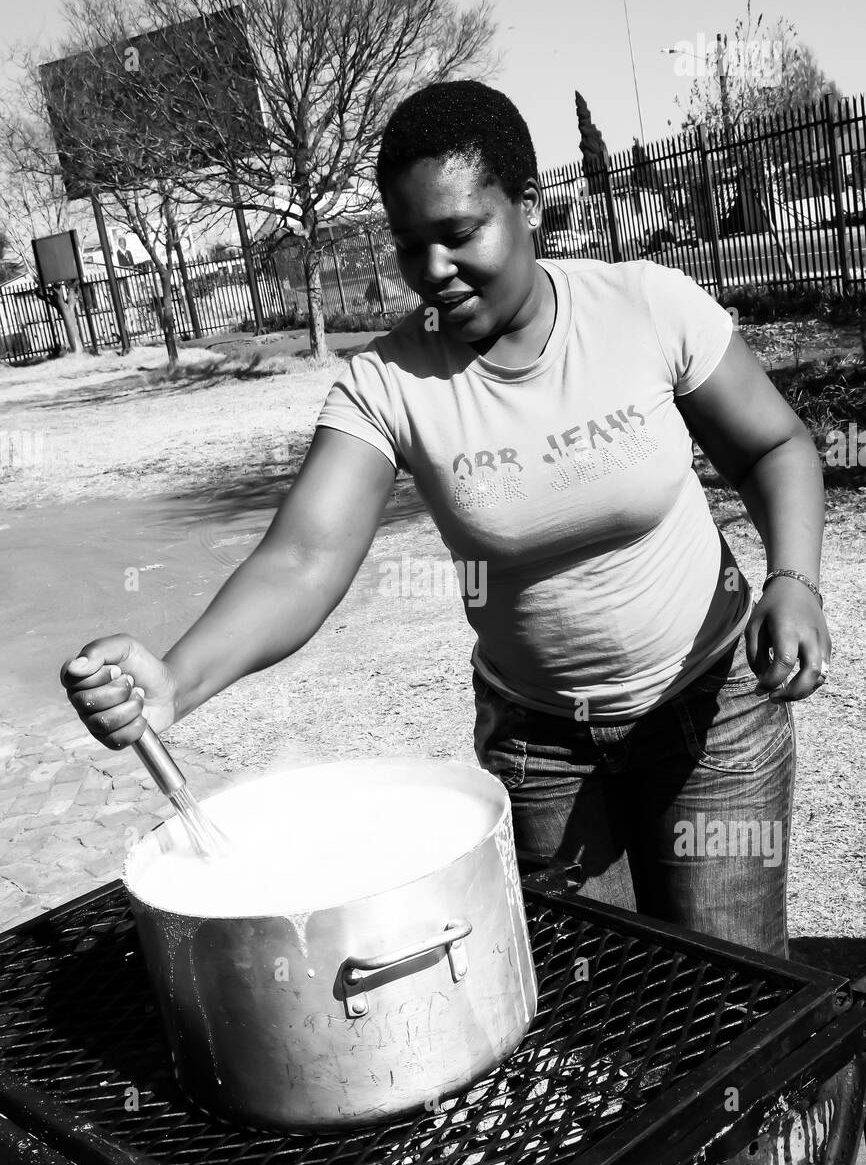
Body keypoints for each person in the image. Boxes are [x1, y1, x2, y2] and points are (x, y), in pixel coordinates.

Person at [60, 81, 831, 958]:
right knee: (601, 1007)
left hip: (711, 712)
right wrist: (175, 682)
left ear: (530, 207)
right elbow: (303, 559)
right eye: (409, 244)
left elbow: (775, 447)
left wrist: (795, 581)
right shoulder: (388, 382)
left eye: (460, 233)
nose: (433, 270)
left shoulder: (647, 306)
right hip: (543, 752)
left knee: (728, 995)